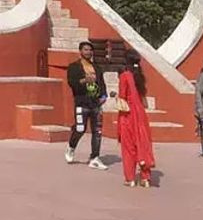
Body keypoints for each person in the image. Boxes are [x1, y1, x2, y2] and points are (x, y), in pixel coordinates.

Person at [65, 41, 109, 169]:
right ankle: (71, 147)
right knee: (80, 129)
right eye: (85, 50)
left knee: (97, 131)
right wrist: (84, 80)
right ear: (80, 51)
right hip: (82, 103)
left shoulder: (97, 67)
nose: (88, 52)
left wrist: (104, 96)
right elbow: (72, 83)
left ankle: (94, 157)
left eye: (90, 50)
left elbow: (102, 83)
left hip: (96, 104)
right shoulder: (74, 67)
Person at [116, 52, 155, 187]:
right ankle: (145, 178)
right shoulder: (140, 77)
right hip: (140, 115)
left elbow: (122, 97)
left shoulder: (125, 76)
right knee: (142, 142)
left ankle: (130, 178)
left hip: (128, 115)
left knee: (128, 147)